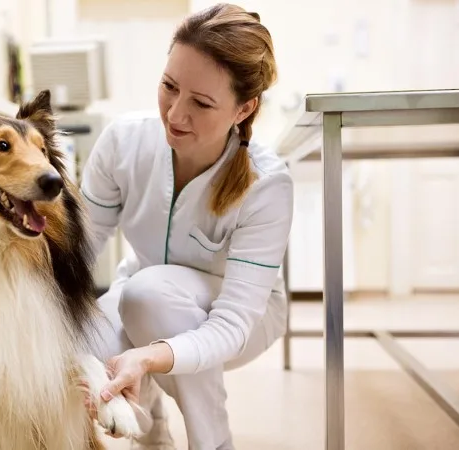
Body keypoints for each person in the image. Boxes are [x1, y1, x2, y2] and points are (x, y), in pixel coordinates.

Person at [80, 3, 293, 449]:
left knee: (148, 295)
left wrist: (150, 357)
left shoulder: (267, 184)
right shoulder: (123, 142)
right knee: (84, 345)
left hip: (243, 320)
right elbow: (74, 255)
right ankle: (152, 435)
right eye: (169, 87)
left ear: (244, 108)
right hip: (144, 295)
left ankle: (213, 441)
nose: (176, 114)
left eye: (201, 102)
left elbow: (234, 322)